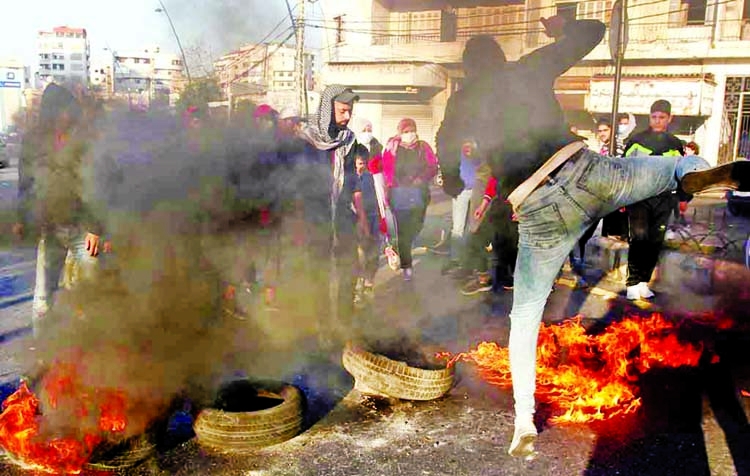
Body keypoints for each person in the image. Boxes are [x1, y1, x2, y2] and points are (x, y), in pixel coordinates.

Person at [441, 17, 750, 458]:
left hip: (539, 210)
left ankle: (524, 419)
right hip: (589, 172)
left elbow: (446, 146)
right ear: (501, 58)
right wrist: (562, 26)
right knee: (665, 170)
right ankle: (694, 172)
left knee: (525, 317)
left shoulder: (462, 100)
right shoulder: (528, 67)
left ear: (470, 69)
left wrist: (452, 180)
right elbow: (592, 34)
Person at [15, 83, 105, 334]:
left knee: (91, 294)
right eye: (60, 111)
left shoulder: (85, 138)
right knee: (44, 296)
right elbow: (26, 181)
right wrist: (22, 218)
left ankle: (90, 354)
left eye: (69, 111)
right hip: (51, 227)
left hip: (83, 227)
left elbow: (101, 180)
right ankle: (42, 353)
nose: (66, 116)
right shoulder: (34, 140)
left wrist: (97, 228)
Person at [297, 85, 369, 342]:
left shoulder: (349, 140)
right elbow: (294, 183)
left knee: (348, 267)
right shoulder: (306, 141)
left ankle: (345, 321)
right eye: (342, 111)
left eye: (350, 111)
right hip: (314, 215)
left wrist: (361, 217)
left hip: (342, 213)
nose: (347, 116)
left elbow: (353, 183)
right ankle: (322, 325)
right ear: (328, 109)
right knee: (319, 271)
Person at [622, 99, 685, 301]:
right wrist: (622, 197)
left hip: (664, 200)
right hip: (639, 198)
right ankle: (632, 283)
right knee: (638, 239)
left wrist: (683, 198)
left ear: (669, 118)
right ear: (649, 117)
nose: (657, 121)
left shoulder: (675, 144)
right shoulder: (636, 140)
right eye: (654, 117)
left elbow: (682, 172)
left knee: (654, 242)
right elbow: (624, 169)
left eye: (662, 117)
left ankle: (643, 282)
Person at [375, 118, 438, 281]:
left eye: (412, 130)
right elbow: (386, 170)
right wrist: (388, 191)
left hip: (419, 194)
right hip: (399, 194)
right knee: (403, 231)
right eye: (406, 131)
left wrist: (422, 178)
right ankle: (407, 266)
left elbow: (433, 166)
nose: (410, 134)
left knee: (416, 226)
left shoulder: (423, 147)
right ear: (400, 132)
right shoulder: (392, 147)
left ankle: (396, 246)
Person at [441, 139, 481, 276]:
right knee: (458, 228)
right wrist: (452, 188)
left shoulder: (480, 148)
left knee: (474, 226)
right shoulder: (453, 148)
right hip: (461, 191)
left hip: (478, 190)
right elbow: (448, 169)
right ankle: (456, 259)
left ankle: (472, 261)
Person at [353, 153, 380, 301]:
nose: (359, 167)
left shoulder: (370, 178)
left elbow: (376, 199)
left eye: (362, 164)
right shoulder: (349, 178)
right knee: (359, 254)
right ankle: (358, 285)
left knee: (373, 253)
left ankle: (369, 283)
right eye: (357, 164)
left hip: (372, 218)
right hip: (357, 220)